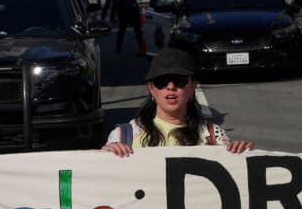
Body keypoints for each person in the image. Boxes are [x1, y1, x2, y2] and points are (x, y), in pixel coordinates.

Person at [101, 48, 254, 154]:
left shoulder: (213, 135)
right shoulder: (123, 135)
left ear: (192, 86)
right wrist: (105, 155)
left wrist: (240, 153)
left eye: (179, 81)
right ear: (151, 88)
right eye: (162, 81)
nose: (171, 87)